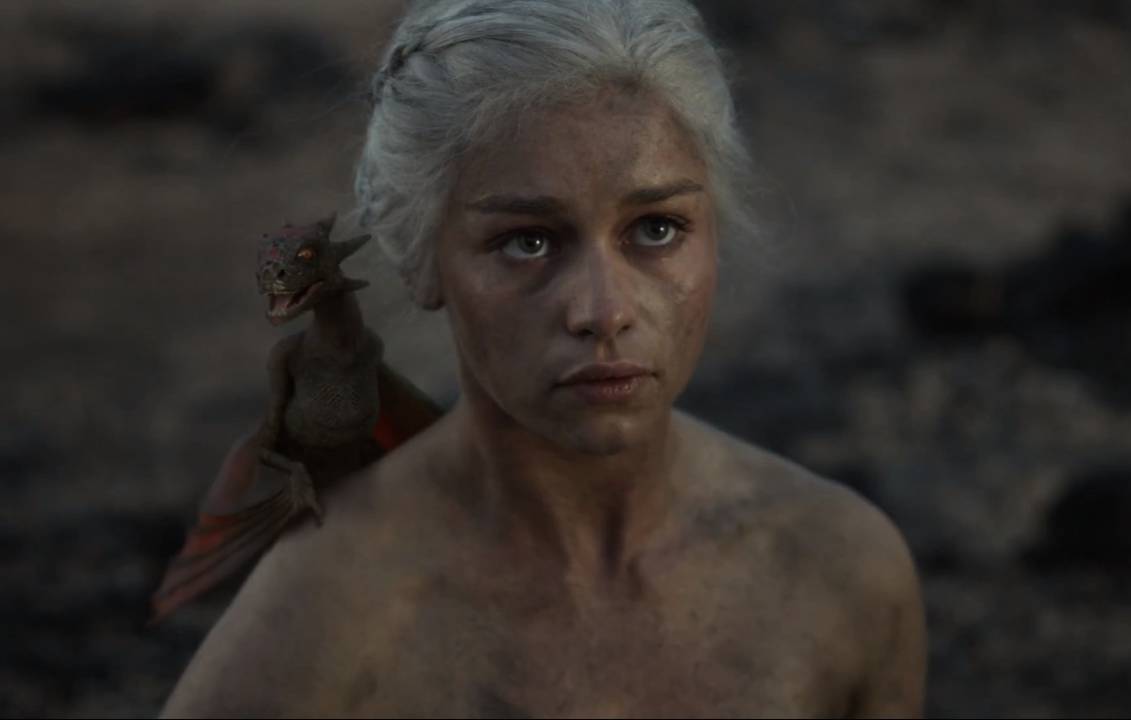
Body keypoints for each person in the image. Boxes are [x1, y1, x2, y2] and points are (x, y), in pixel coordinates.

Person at [161, 0, 926, 716]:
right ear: (422, 258)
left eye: (656, 229)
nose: (603, 311)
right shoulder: (326, 617)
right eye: (526, 242)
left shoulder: (836, 571)